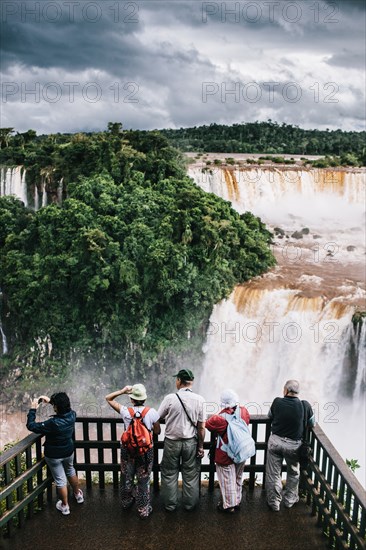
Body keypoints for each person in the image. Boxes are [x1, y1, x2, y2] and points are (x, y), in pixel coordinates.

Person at [105, 383, 160, 519]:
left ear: (132, 399)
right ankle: (143, 509)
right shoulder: (151, 412)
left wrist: (123, 391)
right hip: (145, 452)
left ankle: (126, 502)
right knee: (144, 480)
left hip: (127, 451)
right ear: (144, 398)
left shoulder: (125, 411)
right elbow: (158, 430)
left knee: (126, 477)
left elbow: (108, 398)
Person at [26, 392, 84, 515]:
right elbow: (64, 408)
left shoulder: (52, 423)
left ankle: (65, 505)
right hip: (68, 451)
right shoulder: (72, 415)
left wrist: (32, 410)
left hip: (54, 455)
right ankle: (78, 495)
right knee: (71, 470)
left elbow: (31, 426)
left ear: (57, 407)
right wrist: (52, 402)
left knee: (60, 480)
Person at [157, 369, 205, 512]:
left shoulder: (170, 398)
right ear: (192, 382)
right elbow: (201, 427)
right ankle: (189, 506)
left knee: (169, 473)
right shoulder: (200, 400)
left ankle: (170, 506)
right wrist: (201, 446)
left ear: (179, 381)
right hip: (190, 442)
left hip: (171, 442)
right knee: (190, 474)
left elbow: (157, 417)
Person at [265, 379, 315, 511]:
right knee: (293, 472)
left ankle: (274, 503)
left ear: (286, 390)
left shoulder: (277, 402)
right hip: (294, 445)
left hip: (275, 442)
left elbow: (269, 415)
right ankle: (289, 500)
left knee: (274, 474)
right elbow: (312, 423)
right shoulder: (305, 405)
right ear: (297, 392)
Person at [206, 389, 250, 513]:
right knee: (237, 477)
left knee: (227, 480)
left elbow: (208, 425)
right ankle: (237, 501)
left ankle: (230, 506)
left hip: (226, 453)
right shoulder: (244, 411)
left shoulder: (218, 418)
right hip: (242, 450)